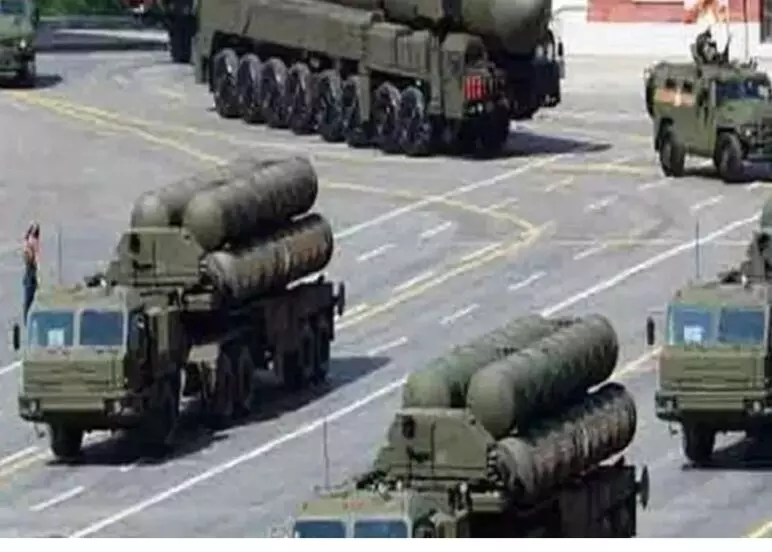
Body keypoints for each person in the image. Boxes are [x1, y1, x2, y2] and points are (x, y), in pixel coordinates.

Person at [22, 221, 40, 322]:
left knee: (29, 298)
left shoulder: (29, 241)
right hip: (30, 271)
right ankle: (27, 319)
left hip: (31, 271)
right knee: (29, 298)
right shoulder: (31, 241)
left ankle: (27, 318)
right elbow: (32, 257)